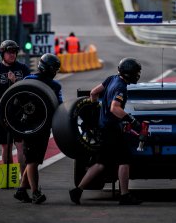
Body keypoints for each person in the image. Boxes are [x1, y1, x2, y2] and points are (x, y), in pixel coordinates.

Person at [69, 57, 142, 206]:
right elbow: (115, 108)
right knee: (125, 160)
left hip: (103, 128)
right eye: (136, 72)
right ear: (128, 74)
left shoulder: (111, 79)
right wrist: (131, 120)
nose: (137, 75)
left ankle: (77, 191)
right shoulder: (120, 86)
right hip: (112, 130)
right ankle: (125, 195)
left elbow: (94, 93)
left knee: (101, 163)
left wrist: (95, 112)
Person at [14, 53, 63, 204]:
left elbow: (16, 100)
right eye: (54, 69)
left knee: (33, 159)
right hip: (40, 126)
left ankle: (22, 190)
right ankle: (35, 192)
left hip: (28, 125)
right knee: (33, 160)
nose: (55, 72)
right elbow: (59, 106)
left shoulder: (27, 80)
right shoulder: (54, 86)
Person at [0, 39, 30, 176]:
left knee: (20, 145)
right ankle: (9, 178)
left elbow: (30, 88)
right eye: (9, 52)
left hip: (19, 112)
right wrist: (2, 103)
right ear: (2, 53)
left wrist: (16, 82)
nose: (12, 55)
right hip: (1, 112)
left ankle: (24, 180)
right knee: (5, 146)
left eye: (14, 52)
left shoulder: (23, 69)